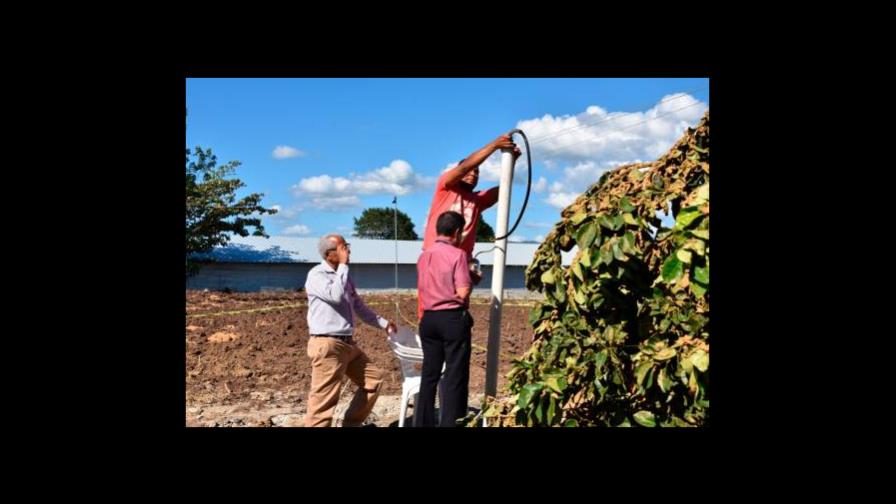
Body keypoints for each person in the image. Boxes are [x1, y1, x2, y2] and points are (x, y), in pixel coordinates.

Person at [418, 134, 522, 320]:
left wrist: (510, 162)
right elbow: (465, 166)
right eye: (470, 171)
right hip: (437, 257)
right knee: (431, 309)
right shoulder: (446, 187)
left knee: (458, 307)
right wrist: (494, 145)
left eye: (477, 173)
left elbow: (503, 188)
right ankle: (428, 341)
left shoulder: (477, 200)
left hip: (461, 261)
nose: (473, 174)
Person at [303, 234, 397, 427]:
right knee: (323, 402)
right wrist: (344, 267)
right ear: (330, 254)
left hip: (347, 344)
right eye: (344, 247)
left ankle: (351, 424)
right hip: (328, 344)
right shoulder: (317, 275)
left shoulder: (344, 276)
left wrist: (384, 323)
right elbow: (335, 296)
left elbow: (359, 306)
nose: (348, 251)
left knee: (373, 380)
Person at [415, 211, 474, 427]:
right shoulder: (457, 255)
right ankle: (451, 422)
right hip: (451, 319)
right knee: (454, 375)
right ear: (457, 232)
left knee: (429, 375)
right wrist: (472, 276)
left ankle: (422, 423)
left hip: (428, 319)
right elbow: (463, 291)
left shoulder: (424, 256)